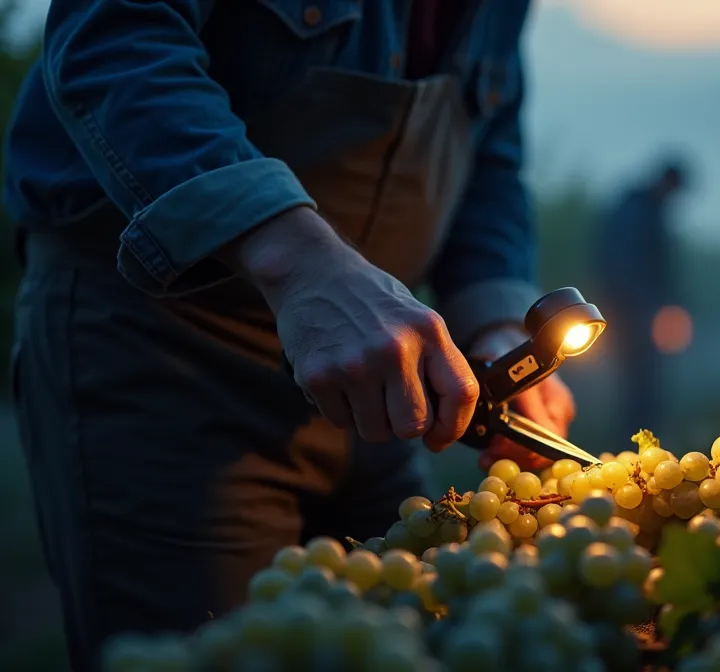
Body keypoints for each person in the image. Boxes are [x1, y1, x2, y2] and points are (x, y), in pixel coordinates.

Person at [2, 2, 575, 668]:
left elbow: (489, 145)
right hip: (162, 357)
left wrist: (495, 318)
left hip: (378, 372)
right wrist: (298, 261)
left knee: (416, 636)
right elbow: (118, 38)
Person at [593, 157, 689, 438]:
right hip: (633, 313)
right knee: (639, 380)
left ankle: (644, 439)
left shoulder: (645, 209)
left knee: (643, 380)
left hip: (639, 311)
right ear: (667, 182)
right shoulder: (636, 212)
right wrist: (649, 311)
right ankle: (634, 444)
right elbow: (627, 267)